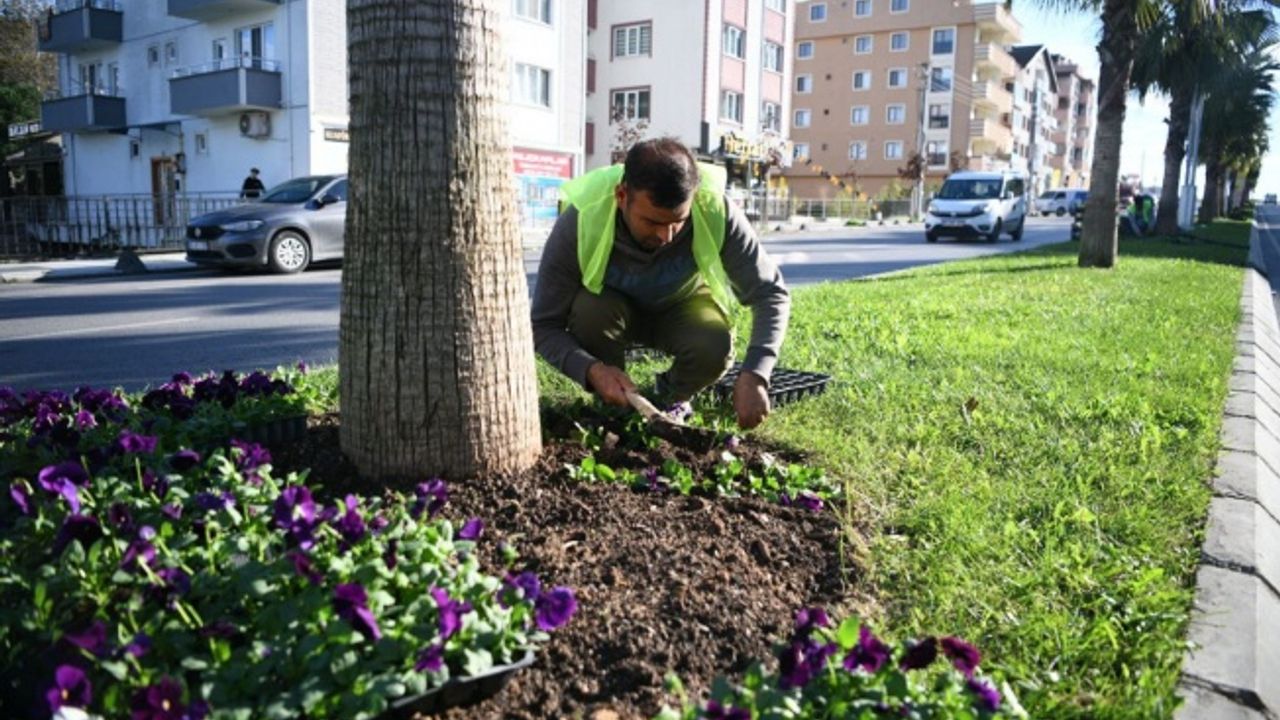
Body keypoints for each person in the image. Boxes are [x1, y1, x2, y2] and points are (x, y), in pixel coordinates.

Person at [531, 137, 790, 429]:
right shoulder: (582, 217)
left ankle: (668, 401)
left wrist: (756, 373)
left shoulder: (715, 209)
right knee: (590, 311)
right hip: (609, 311)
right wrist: (592, 370)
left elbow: (770, 294)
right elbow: (543, 324)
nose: (666, 237)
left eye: (677, 222)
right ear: (621, 195)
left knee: (714, 344)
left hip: (682, 306)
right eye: (652, 222)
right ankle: (615, 403)